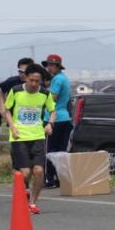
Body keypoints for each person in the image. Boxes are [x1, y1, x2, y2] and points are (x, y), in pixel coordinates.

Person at [2, 63, 56, 214]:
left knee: (38, 171)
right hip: (19, 136)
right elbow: (6, 110)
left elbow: (53, 111)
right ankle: (23, 189)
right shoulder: (16, 91)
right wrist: (12, 126)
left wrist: (50, 124)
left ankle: (32, 203)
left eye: (37, 81)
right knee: (25, 172)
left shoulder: (45, 93)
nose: (34, 84)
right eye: (31, 80)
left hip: (38, 135)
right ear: (26, 78)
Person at [43, 53, 73, 189]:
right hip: (65, 118)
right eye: (48, 65)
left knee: (50, 150)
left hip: (54, 118)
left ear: (57, 66)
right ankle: (62, 178)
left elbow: (52, 98)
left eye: (51, 65)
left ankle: (50, 178)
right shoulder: (64, 79)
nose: (49, 68)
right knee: (61, 151)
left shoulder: (57, 80)